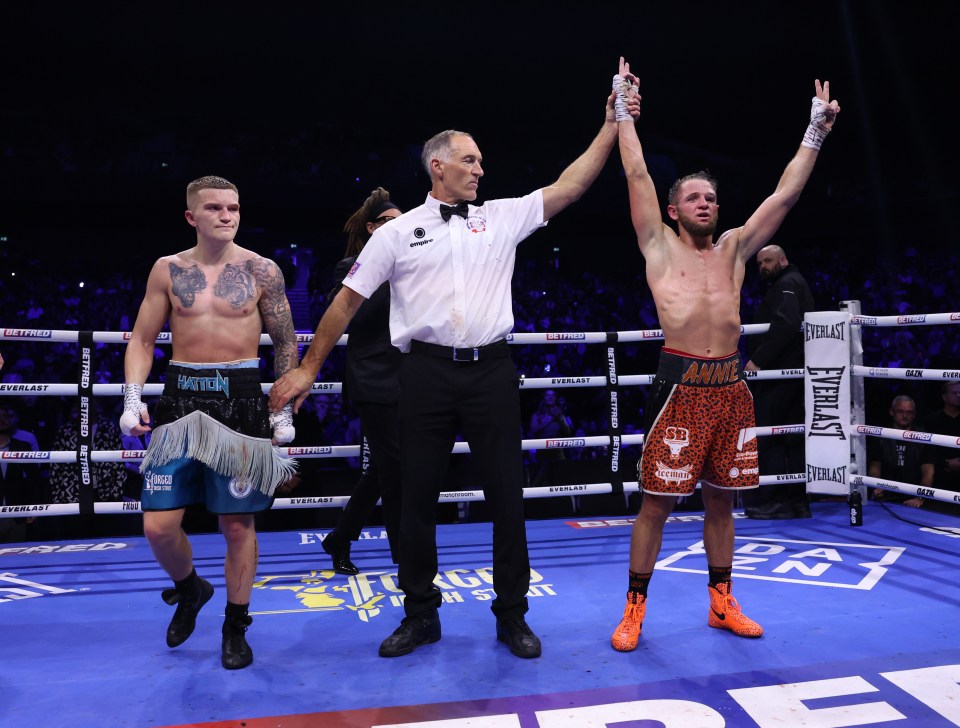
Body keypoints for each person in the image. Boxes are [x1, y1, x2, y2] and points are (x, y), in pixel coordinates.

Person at [270, 78, 637, 660]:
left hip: (491, 370)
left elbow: (571, 186)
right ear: (437, 166)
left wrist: (613, 121)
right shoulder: (395, 232)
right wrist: (310, 369)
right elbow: (345, 300)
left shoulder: (502, 218)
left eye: (481, 161)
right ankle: (420, 614)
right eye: (469, 160)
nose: (479, 170)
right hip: (422, 373)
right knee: (413, 498)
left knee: (507, 497)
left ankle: (512, 614)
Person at [610, 57, 839, 651]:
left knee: (723, 503)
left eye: (712, 196)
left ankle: (721, 601)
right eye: (694, 197)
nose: (707, 203)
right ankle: (635, 609)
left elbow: (785, 194)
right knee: (655, 506)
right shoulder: (658, 246)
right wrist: (623, 110)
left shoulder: (736, 250)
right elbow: (635, 174)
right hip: (679, 386)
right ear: (673, 209)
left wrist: (814, 130)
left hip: (730, 387)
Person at [121, 175, 298, 670]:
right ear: (191, 216)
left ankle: (235, 625)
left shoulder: (262, 270)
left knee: (237, 523)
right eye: (215, 208)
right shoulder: (168, 269)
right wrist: (133, 398)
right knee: (158, 526)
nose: (227, 215)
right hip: (180, 399)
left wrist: (281, 407)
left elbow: (285, 342)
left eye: (234, 208)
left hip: (240, 399)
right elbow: (141, 339)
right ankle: (190, 588)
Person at [318, 187, 403, 575]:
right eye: (388, 221)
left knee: (386, 469)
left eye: (402, 221)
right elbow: (355, 316)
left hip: (411, 378)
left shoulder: (413, 263)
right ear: (371, 228)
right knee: (395, 469)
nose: (397, 227)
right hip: (372, 377)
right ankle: (406, 558)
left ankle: (339, 538)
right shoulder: (351, 266)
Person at [743, 244, 815, 519]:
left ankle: (775, 501)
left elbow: (786, 322)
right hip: (791, 373)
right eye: (760, 263)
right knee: (793, 438)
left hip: (779, 374)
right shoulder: (786, 282)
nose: (763, 266)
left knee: (771, 437)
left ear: (784, 260)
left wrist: (758, 359)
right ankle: (798, 502)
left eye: (769, 261)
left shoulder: (787, 282)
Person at [867, 395, 931, 507]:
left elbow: (928, 472)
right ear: (892, 412)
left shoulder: (923, 437)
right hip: (886, 496)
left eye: (909, 412)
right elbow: (875, 468)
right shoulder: (881, 435)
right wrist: (877, 486)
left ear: (914, 414)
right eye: (900, 411)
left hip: (913, 497)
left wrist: (920, 498)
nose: (905, 416)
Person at [0, 405, 45, 543]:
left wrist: (34, 506)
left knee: (16, 558)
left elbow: (35, 479)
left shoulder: (22, 447)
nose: (2, 420)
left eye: (5, 416)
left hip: (17, 514)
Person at [922, 382, 960, 494]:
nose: (959, 395)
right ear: (944, 397)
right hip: (939, 474)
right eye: (954, 393)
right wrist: (946, 463)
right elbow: (926, 451)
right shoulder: (931, 420)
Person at [528, 389, 573, 485]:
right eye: (548, 395)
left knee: (560, 478)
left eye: (553, 395)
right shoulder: (537, 415)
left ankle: (561, 498)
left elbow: (567, 432)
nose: (551, 397)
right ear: (544, 398)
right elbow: (533, 430)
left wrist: (561, 419)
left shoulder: (560, 414)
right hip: (542, 450)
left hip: (557, 450)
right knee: (541, 479)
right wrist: (552, 418)